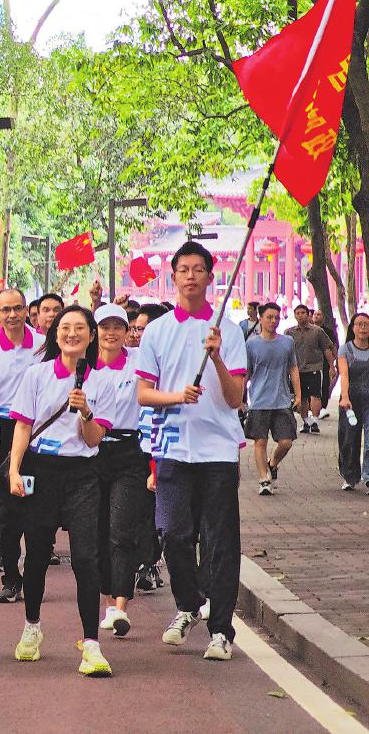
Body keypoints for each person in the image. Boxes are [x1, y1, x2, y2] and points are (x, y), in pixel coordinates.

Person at [135, 242, 246, 662]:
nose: (191, 276)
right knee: (173, 533)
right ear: (174, 275)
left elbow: (235, 398)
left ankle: (221, 630)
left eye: (199, 269)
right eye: (184, 269)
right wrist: (176, 396)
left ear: (210, 277)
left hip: (218, 450)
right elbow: (144, 394)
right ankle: (189, 604)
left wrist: (216, 359)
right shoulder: (157, 331)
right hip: (172, 448)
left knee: (220, 542)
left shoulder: (228, 331)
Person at [8, 305, 113, 677]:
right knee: (37, 553)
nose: (72, 334)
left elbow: (94, 438)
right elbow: (23, 426)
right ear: (55, 334)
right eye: (65, 327)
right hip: (42, 471)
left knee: (86, 557)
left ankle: (91, 644)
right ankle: (32, 626)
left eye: (79, 328)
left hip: (82, 474)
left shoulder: (101, 381)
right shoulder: (36, 375)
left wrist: (85, 412)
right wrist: (14, 469)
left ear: (90, 335)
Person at [0, 287, 45, 599]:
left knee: (35, 506)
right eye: (6, 310)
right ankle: (11, 577)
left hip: (37, 431)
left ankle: (35, 575)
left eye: (18, 308)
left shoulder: (43, 345)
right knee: (5, 509)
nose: (12, 315)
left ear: (27, 310)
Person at [90, 304, 149, 639]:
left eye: (117, 327)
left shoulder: (139, 361)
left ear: (127, 331)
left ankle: (121, 606)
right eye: (104, 327)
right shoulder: (85, 366)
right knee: (97, 530)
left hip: (130, 452)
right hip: (92, 452)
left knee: (122, 529)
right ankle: (108, 601)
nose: (111, 333)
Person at [244, 303, 300, 496]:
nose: (273, 321)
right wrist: (241, 399)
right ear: (260, 318)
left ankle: (273, 463)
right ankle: (263, 479)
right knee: (260, 441)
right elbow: (246, 373)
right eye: (269, 317)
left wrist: (298, 394)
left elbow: (293, 368)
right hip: (259, 401)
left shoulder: (287, 342)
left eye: (276, 317)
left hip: (282, 400)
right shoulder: (251, 345)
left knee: (286, 441)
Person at [131, 303, 169, 593]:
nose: (135, 334)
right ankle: (145, 563)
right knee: (142, 509)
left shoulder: (173, 362)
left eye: (141, 329)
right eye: (134, 328)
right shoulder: (130, 359)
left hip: (166, 446)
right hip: (137, 447)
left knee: (164, 513)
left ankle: (151, 560)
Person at [286, 305, 334, 434]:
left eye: (303, 313)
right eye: (297, 313)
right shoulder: (289, 333)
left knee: (315, 396)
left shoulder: (317, 331)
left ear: (308, 315)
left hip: (314, 368)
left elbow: (327, 348)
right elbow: (284, 351)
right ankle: (306, 422)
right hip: (297, 370)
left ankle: (315, 421)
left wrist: (332, 366)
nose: (300, 315)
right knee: (301, 397)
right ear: (294, 315)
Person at [337, 312, 369, 491]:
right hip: (350, 401)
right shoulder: (345, 350)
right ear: (353, 327)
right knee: (349, 439)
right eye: (359, 324)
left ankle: (368, 476)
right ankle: (350, 476)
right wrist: (345, 396)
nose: (363, 328)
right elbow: (344, 375)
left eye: (366, 324)